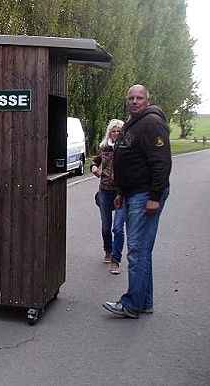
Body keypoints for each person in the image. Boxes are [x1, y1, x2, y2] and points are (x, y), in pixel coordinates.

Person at [103, 84, 171, 318]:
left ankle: (131, 304)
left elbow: (162, 163)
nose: (134, 101)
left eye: (139, 98)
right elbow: (127, 160)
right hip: (133, 194)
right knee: (142, 250)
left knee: (137, 250)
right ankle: (145, 302)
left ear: (147, 100)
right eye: (131, 97)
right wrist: (122, 192)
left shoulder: (152, 123)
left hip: (146, 195)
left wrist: (154, 197)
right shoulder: (133, 123)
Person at [91, 119, 125, 274]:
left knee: (117, 228)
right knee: (106, 227)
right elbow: (96, 160)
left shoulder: (127, 148)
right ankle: (108, 250)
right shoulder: (104, 147)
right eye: (114, 130)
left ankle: (116, 260)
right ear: (109, 132)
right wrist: (93, 166)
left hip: (122, 191)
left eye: (119, 131)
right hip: (105, 190)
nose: (116, 133)